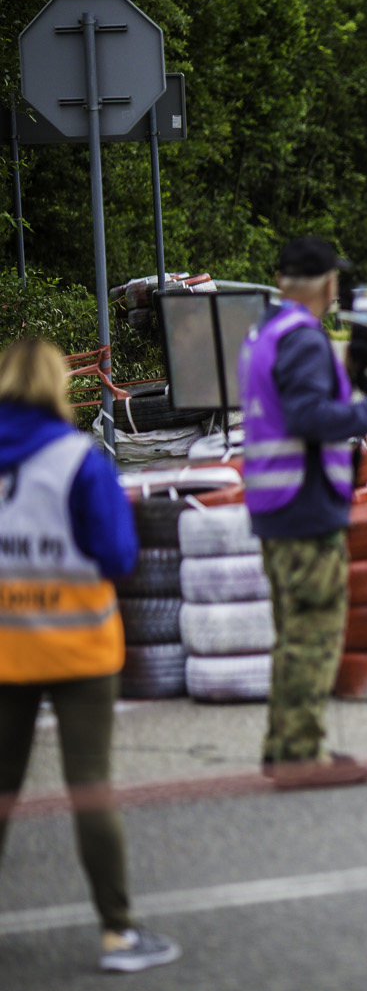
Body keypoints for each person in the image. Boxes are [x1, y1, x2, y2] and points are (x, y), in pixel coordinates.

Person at [0, 338, 181, 972]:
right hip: (80, 649)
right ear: (56, 386)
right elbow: (119, 556)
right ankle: (117, 934)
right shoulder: (78, 460)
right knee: (88, 788)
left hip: (5, 649)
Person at [240, 236, 367, 787]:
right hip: (304, 507)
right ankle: (302, 755)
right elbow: (307, 416)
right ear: (328, 283)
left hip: (275, 505)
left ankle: (284, 746)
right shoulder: (303, 339)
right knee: (313, 635)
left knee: (292, 634)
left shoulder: (265, 331)